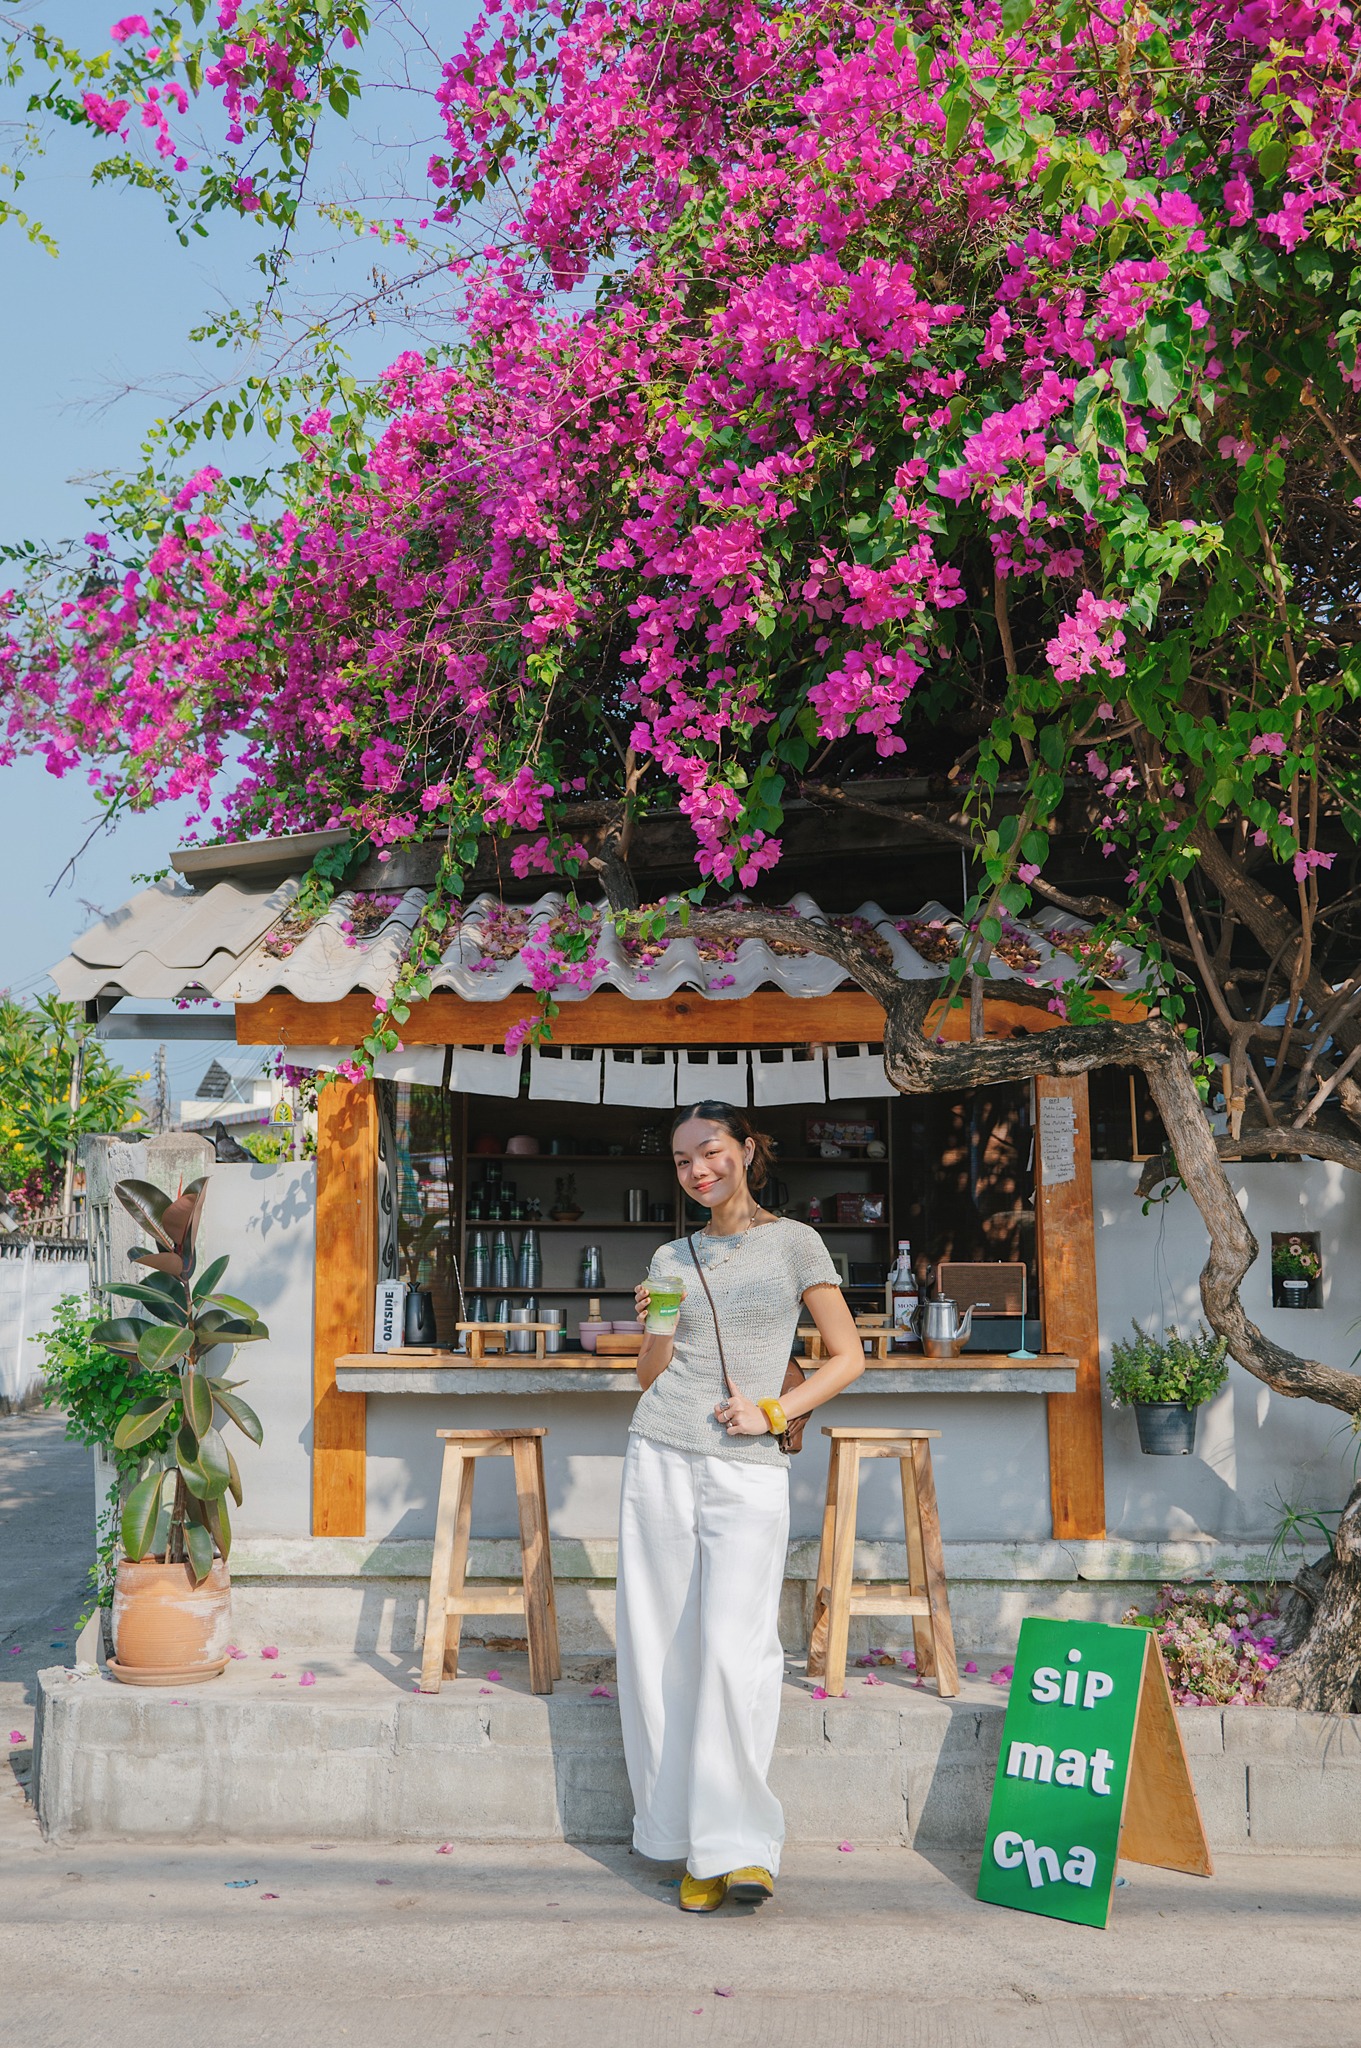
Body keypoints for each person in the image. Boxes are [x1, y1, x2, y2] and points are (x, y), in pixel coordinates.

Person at [617, 1099, 865, 1912]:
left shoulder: (794, 1243)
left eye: (711, 1151)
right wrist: (655, 1324)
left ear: (747, 1150)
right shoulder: (670, 1254)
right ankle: (685, 1841)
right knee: (659, 1650)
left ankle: (740, 1847)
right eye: (682, 1159)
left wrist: (773, 1411)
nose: (697, 1170)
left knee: (738, 1649)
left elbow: (848, 1358)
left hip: (746, 1464)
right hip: (659, 1451)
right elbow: (650, 1374)